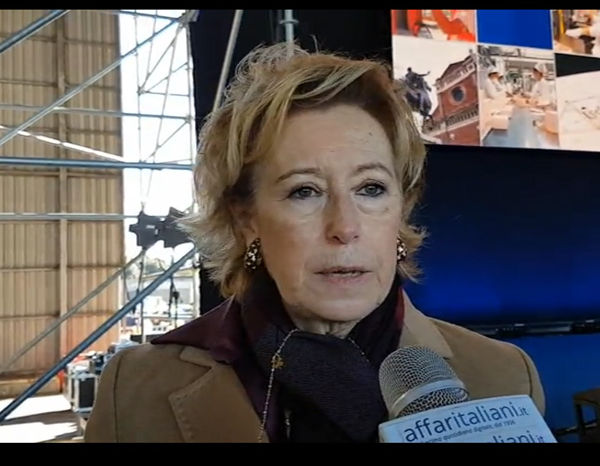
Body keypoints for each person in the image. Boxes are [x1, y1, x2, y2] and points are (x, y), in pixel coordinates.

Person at [84, 43, 545, 443]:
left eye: (370, 188)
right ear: (247, 219)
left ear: (401, 209)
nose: (345, 226)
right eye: (304, 191)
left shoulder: (505, 376)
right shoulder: (136, 388)